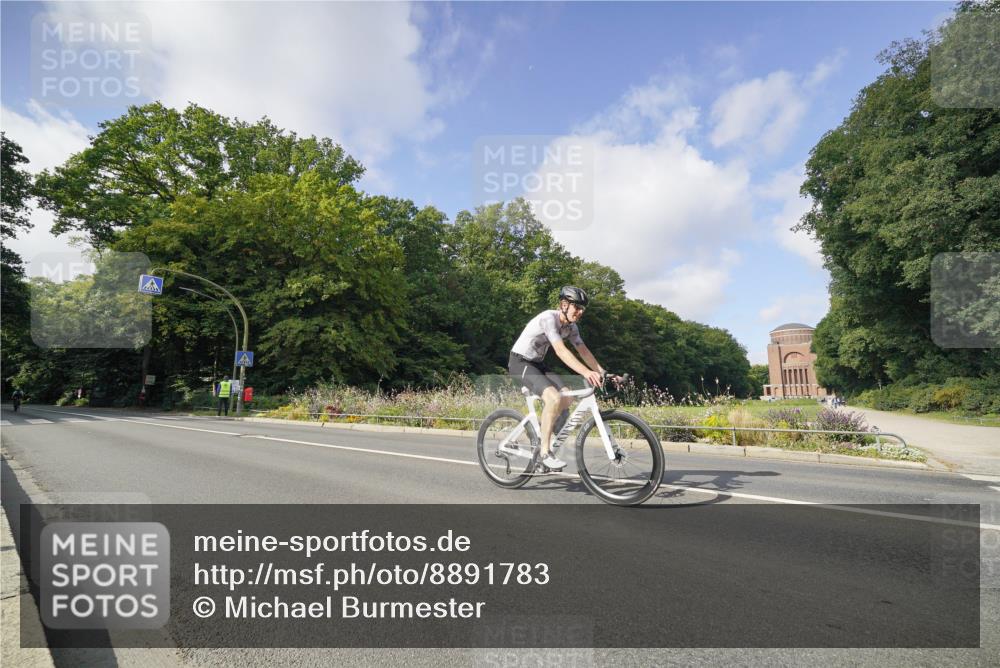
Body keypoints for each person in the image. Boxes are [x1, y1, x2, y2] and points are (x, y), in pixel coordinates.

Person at [508, 286, 604, 471]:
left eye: (583, 308)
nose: (580, 312)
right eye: (577, 307)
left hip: (537, 364)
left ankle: (544, 435)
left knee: (567, 396)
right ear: (564, 304)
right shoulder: (548, 318)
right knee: (553, 397)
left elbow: (582, 350)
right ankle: (544, 453)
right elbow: (560, 350)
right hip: (519, 362)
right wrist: (586, 373)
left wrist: (602, 371)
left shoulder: (571, 327)